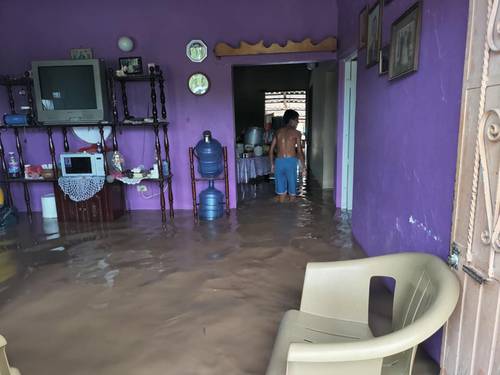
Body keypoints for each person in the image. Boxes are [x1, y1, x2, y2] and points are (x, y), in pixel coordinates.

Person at [269, 109, 305, 202]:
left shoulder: (278, 132)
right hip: (291, 162)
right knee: (292, 192)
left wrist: (272, 165)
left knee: (281, 193)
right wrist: (303, 167)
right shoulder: (297, 133)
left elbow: (271, 150)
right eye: (297, 119)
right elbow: (300, 152)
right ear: (292, 120)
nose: (298, 122)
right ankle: (291, 212)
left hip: (279, 162)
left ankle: (281, 212)